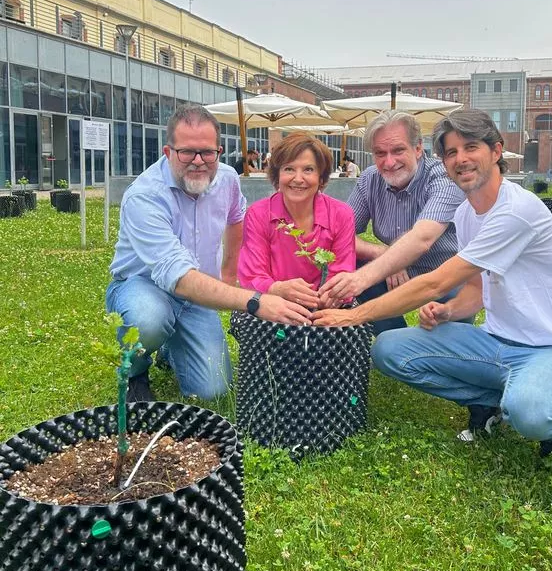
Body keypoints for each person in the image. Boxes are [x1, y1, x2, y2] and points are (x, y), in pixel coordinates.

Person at [312, 110, 552, 456]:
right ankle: (498, 400)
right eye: (451, 152)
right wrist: (448, 311)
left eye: (470, 147)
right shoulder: (467, 212)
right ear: (443, 160)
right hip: (496, 342)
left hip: (551, 348)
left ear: (496, 151)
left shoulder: (516, 210)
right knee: (388, 350)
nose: (461, 159)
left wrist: (354, 315)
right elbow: (476, 288)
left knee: (533, 415)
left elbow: (435, 279)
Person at [107, 104, 312, 403]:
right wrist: (254, 300)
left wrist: (229, 274)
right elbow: (178, 277)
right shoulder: (144, 197)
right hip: (144, 285)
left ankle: (169, 346)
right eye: (187, 152)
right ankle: (136, 371)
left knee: (214, 389)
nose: (198, 162)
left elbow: (236, 217)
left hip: (197, 292)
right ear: (168, 152)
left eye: (207, 152)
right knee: (148, 319)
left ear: (218, 150)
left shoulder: (227, 179)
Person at [319, 110, 465, 334]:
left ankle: (441, 336)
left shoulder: (444, 177)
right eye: (380, 153)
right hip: (393, 275)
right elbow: (338, 236)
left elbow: (423, 238)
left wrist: (384, 263)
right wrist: (382, 255)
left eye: (398, 150)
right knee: (348, 262)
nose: (389, 162)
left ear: (418, 149)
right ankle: (392, 333)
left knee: (450, 344)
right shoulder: (369, 179)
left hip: (445, 275)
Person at [238, 132, 356, 308]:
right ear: (277, 175)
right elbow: (252, 275)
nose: (298, 179)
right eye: (289, 169)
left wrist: (320, 302)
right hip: (273, 305)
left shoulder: (341, 214)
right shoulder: (258, 214)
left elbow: (342, 272)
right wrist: (278, 289)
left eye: (308, 170)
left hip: (328, 307)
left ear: (321, 177)